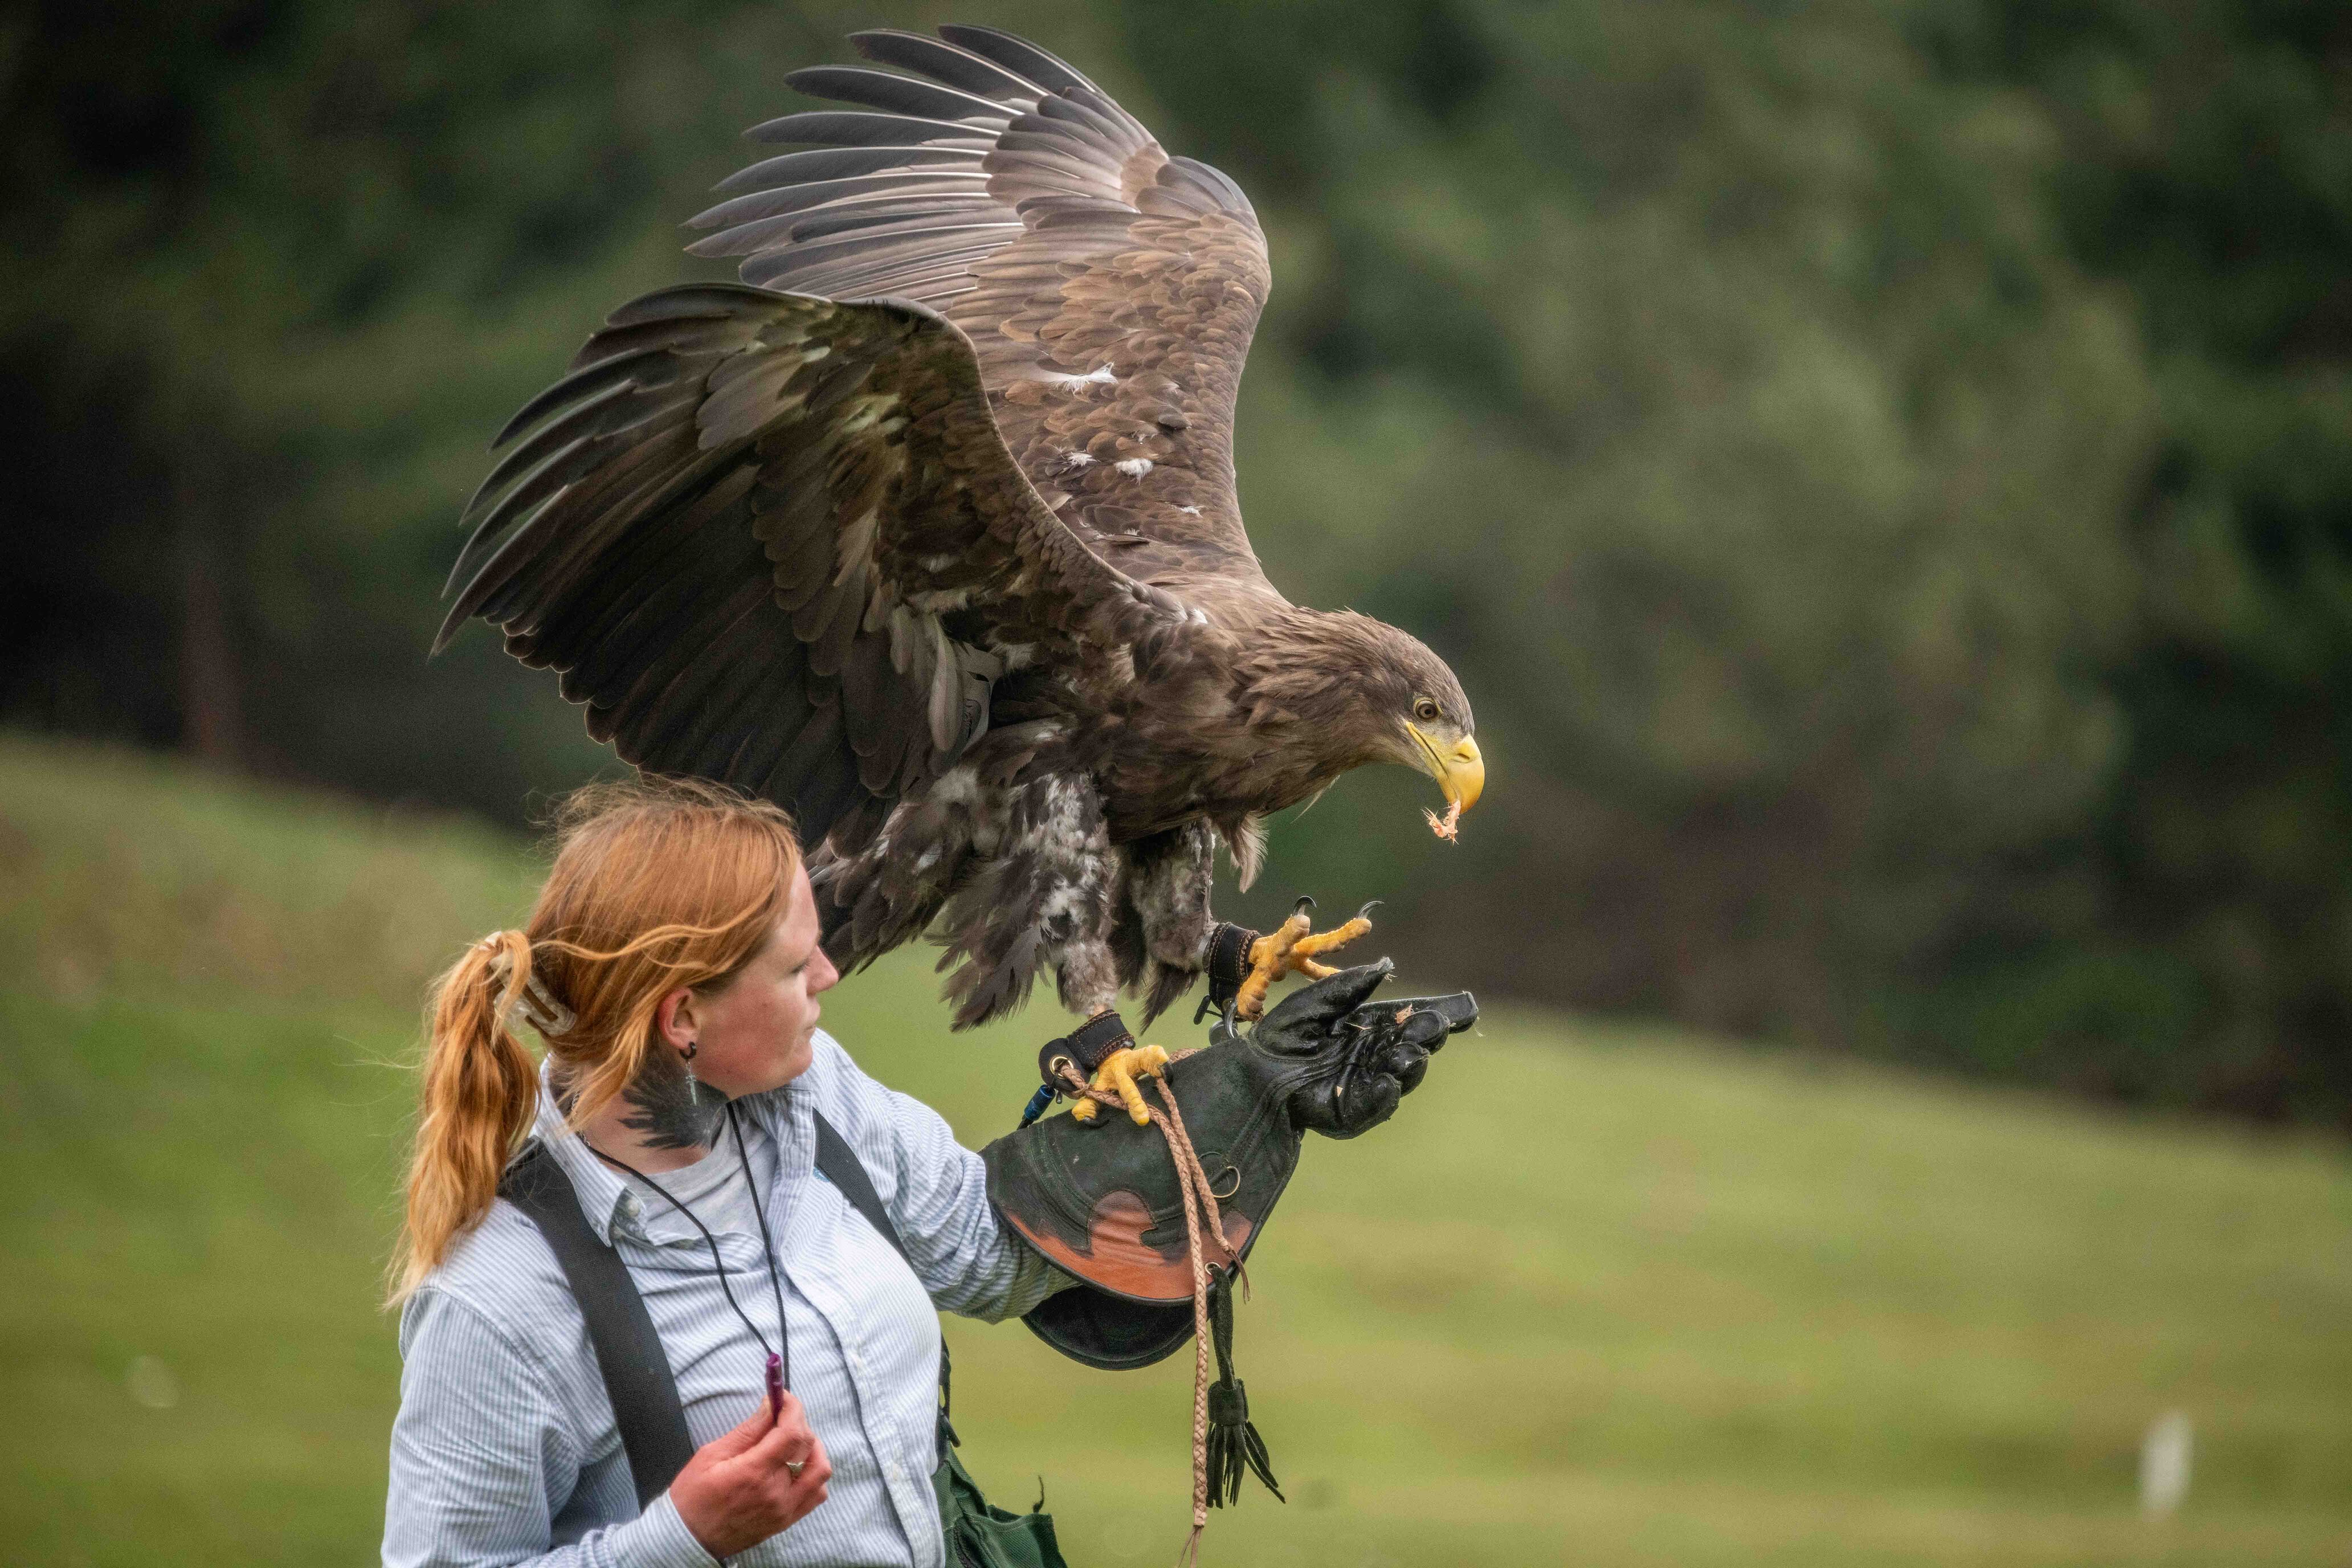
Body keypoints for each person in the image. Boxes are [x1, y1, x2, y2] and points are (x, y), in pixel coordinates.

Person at [382, 777, 1074, 1568]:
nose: (828, 976)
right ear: (683, 1019)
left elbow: (990, 1247)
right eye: (791, 968)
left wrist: (1193, 1133)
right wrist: (681, 1539)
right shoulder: (498, 1301)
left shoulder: (819, 1093)